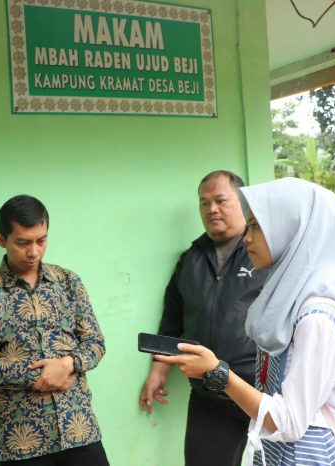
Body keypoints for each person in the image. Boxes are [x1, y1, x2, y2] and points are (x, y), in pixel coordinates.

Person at [159, 178, 335, 465]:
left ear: (293, 229)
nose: (248, 237)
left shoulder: (316, 318)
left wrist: (217, 372)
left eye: (257, 226)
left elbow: (289, 421)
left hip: (308, 457)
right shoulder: (290, 299)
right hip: (277, 450)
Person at [0, 195, 109, 466]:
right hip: (23, 442)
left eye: (41, 240)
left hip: (79, 431)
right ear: (2, 240)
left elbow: (95, 343)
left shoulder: (68, 282)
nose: (34, 252)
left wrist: (68, 363)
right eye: (23, 243)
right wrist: (39, 375)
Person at [139, 170, 268, 466]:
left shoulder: (264, 252)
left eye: (221, 200)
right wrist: (158, 371)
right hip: (209, 389)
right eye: (204, 203)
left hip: (261, 387)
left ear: (244, 203)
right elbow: (173, 319)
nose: (212, 209)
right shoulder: (191, 259)